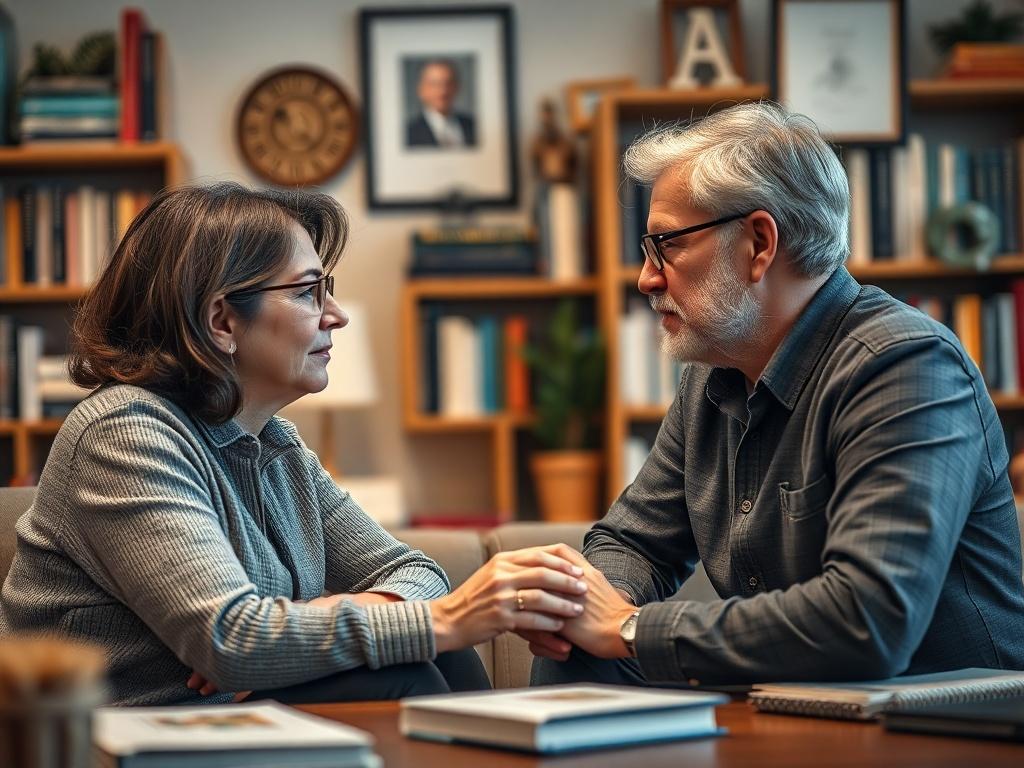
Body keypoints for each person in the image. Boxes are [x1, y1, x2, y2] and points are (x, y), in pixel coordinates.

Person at [0, 183, 588, 706]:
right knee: (406, 666)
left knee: (430, 654)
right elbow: (231, 643)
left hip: (229, 724)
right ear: (222, 322)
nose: (335, 316)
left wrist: (331, 613)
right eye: (309, 292)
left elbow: (413, 569)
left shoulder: (273, 443)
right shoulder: (123, 434)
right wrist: (438, 619)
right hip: (119, 738)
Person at [528, 101, 1024, 688]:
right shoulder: (714, 374)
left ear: (760, 242)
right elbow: (632, 541)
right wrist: (584, 606)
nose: (646, 278)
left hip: (934, 722)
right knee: (579, 650)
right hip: (791, 704)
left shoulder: (905, 365)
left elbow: (869, 622)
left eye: (668, 245)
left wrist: (631, 627)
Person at [406, 59, 476, 148]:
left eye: (448, 83)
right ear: (421, 89)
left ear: (457, 87)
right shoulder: (408, 132)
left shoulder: (473, 126)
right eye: (434, 84)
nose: (443, 91)